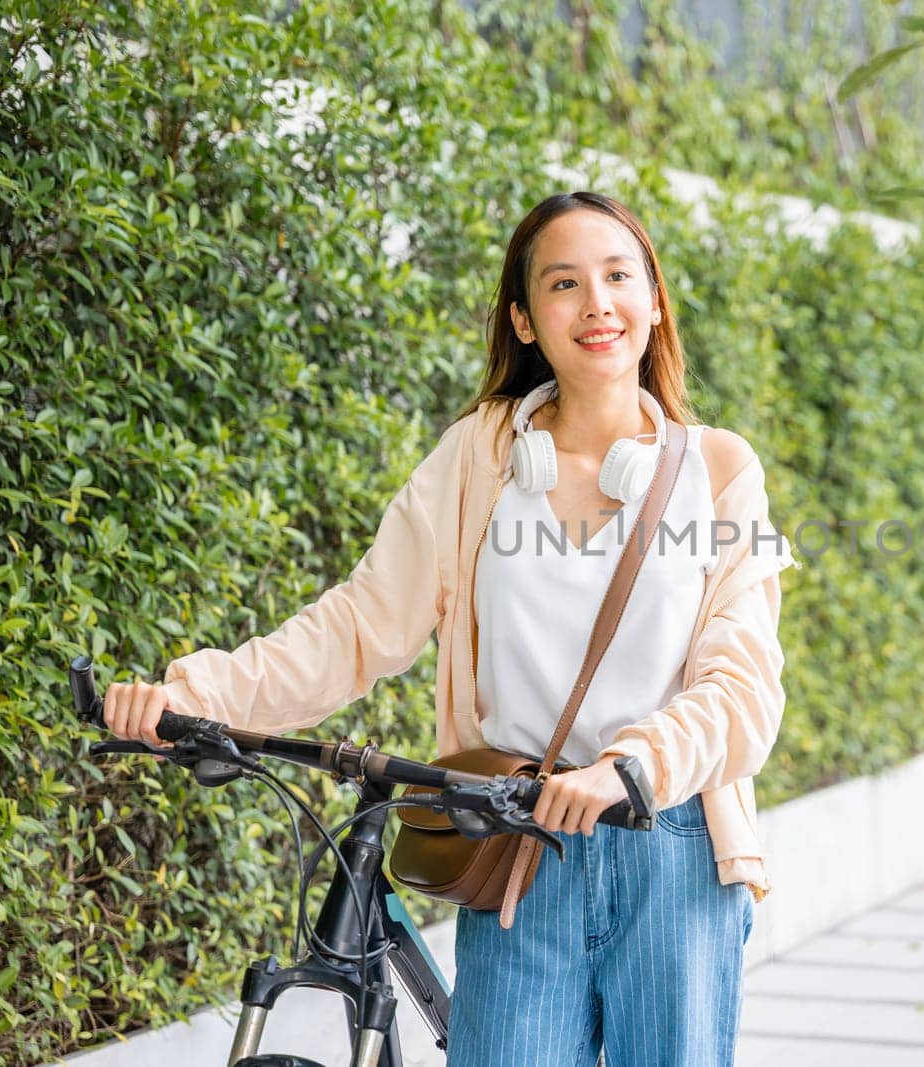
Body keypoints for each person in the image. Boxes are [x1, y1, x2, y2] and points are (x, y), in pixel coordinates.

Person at [102, 190, 798, 1065]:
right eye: (564, 283)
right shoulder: (478, 458)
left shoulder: (719, 470)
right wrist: (188, 697)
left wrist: (633, 766)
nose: (597, 304)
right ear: (524, 318)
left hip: (671, 850)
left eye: (620, 276)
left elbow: (743, 687)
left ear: (654, 301)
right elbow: (358, 625)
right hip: (512, 844)